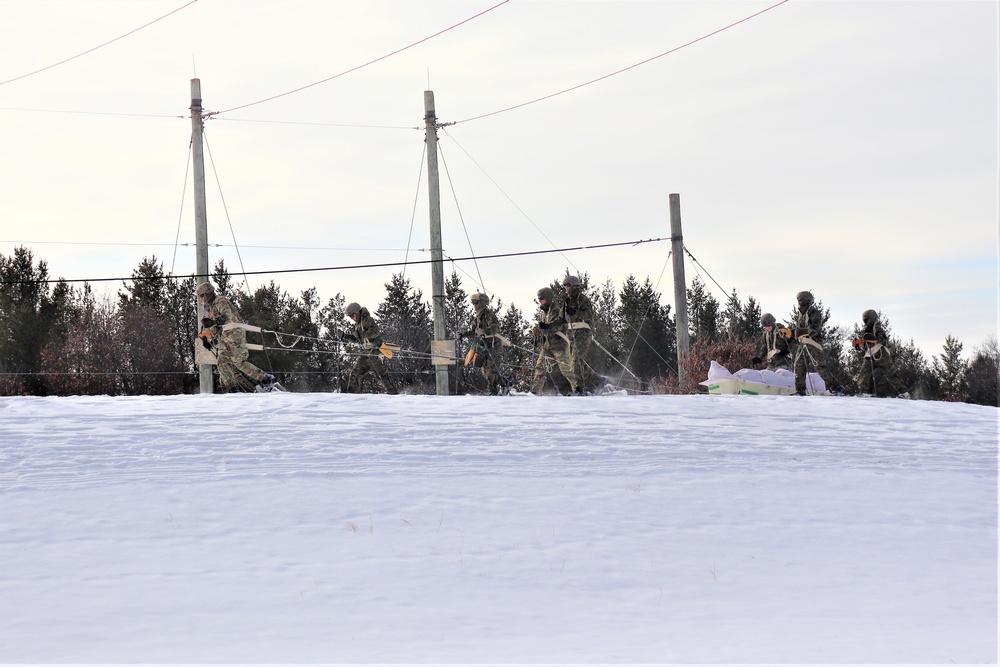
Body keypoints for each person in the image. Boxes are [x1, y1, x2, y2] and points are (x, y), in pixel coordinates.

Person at [195, 281, 276, 393]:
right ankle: (231, 389)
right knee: (222, 361)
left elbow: (226, 317)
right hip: (225, 335)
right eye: (199, 296)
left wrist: (212, 322)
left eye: (202, 295)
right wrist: (206, 336)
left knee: (239, 362)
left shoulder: (220, 301)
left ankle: (266, 379)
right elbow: (218, 326)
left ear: (208, 293)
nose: (201, 299)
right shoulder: (212, 306)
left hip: (234, 333)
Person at [342, 301, 397, 394]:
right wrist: (344, 336)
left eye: (352, 315)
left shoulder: (368, 320)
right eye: (350, 317)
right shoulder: (357, 324)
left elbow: (376, 332)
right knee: (354, 373)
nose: (352, 318)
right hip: (364, 354)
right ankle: (350, 395)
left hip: (373, 353)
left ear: (357, 312)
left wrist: (361, 334)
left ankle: (394, 394)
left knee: (382, 375)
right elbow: (357, 339)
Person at [459, 293, 508, 395]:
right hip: (482, 347)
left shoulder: (490, 315)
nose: (474, 305)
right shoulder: (477, 318)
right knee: (485, 372)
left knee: (491, 371)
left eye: (476, 303)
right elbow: (474, 332)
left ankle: (493, 391)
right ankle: (505, 383)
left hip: (493, 347)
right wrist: (463, 335)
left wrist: (485, 331)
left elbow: (495, 329)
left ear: (482, 303)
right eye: (473, 303)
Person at [853, 309, 908, 398]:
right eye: (864, 321)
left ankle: (904, 393)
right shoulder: (867, 330)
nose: (865, 323)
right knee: (863, 374)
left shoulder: (877, 327)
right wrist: (860, 344)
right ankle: (864, 392)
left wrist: (872, 339)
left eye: (866, 320)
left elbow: (881, 339)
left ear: (872, 319)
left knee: (890, 375)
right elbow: (868, 343)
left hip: (881, 355)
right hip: (872, 355)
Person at [560, 275, 600, 394]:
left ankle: (579, 389)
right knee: (574, 362)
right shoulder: (566, 301)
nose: (566, 288)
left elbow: (589, 314)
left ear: (574, 286)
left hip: (582, 332)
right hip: (570, 334)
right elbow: (561, 319)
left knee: (576, 361)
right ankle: (598, 381)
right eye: (565, 286)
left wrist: (575, 313)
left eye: (568, 285)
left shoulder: (582, 299)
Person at [529, 286, 573, 395]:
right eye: (538, 299)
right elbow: (544, 328)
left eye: (541, 298)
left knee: (566, 369)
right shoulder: (544, 312)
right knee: (540, 367)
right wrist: (538, 337)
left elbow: (556, 327)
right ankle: (534, 392)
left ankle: (579, 388)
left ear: (548, 298)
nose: (539, 301)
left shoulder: (556, 311)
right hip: (548, 347)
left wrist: (542, 330)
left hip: (559, 346)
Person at [785, 290, 826, 395]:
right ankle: (800, 390)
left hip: (813, 343)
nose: (799, 301)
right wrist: (790, 333)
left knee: (820, 367)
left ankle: (835, 388)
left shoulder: (813, 312)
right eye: (798, 299)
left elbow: (816, 329)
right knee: (798, 366)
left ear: (807, 300)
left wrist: (804, 332)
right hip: (803, 344)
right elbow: (799, 330)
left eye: (801, 299)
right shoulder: (801, 314)